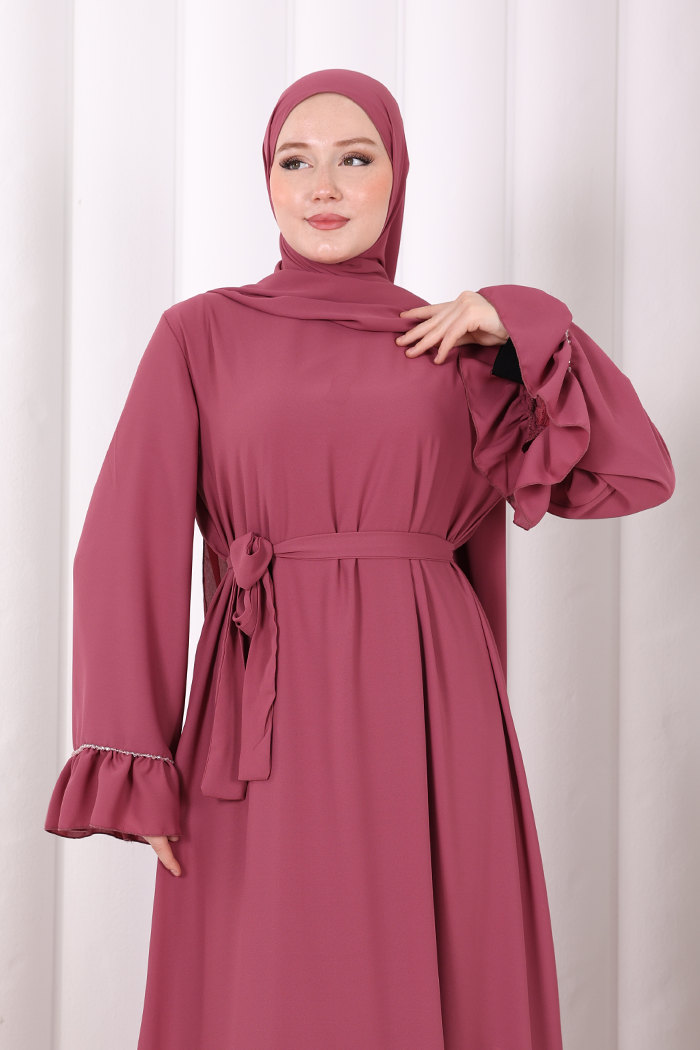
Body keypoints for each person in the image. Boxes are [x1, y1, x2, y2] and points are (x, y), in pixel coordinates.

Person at [45, 69, 675, 1050]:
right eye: (295, 163)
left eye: (355, 158)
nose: (324, 187)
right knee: (266, 981)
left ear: (397, 176)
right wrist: (135, 754)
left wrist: (521, 325)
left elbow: (632, 472)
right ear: (266, 181)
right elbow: (125, 542)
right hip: (261, 716)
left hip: (429, 708)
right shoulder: (198, 336)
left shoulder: (454, 344)